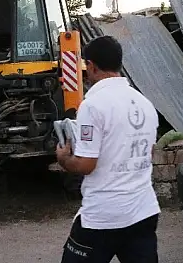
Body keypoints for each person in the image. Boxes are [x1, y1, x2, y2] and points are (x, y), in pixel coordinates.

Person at [56, 35, 160, 263]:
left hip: (103, 217)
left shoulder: (92, 106)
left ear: (91, 66)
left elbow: (85, 165)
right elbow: (148, 153)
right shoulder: (145, 103)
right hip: (143, 211)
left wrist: (63, 159)